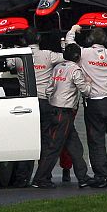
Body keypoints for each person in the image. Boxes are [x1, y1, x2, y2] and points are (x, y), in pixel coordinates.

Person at [66, 23, 107, 188]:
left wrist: (73, 29)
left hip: (94, 103)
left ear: (90, 40)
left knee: (96, 140)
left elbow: (69, 45)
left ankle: (101, 177)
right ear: (106, 41)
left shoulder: (84, 53)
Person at [32, 44, 94, 189]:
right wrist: (89, 84)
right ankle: (39, 179)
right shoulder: (75, 70)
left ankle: (83, 178)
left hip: (54, 109)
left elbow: (48, 89)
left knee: (75, 146)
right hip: (64, 113)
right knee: (54, 147)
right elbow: (85, 91)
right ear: (78, 57)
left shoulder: (57, 68)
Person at [9, 28, 63, 187]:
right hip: (44, 102)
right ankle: (43, 177)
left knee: (26, 141)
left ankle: (21, 179)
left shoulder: (18, 57)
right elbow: (67, 56)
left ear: (24, 41)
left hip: (26, 103)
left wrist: (15, 47)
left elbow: (7, 63)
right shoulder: (47, 55)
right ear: (39, 39)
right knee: (46, 141)